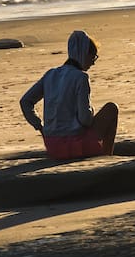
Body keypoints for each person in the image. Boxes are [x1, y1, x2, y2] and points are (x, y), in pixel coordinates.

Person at [20, 30, 118, 160]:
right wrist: (91, 112)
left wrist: (39, 125)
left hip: (53, 146)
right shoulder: (81, 77)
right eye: (93, 57)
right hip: (76, 146)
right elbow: (85, 119)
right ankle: (107, 156)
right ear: (83, 54)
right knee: (112, 108)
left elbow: (25, 101)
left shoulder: (50, 74)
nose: (93, 62)